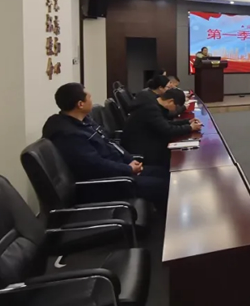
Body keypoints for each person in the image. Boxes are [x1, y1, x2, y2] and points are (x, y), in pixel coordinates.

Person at [42, 83, 170, 211]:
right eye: (89, 97)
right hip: (104, 183)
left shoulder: (85, 121)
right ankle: (164, 222)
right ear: (80, 104)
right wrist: (128, 169)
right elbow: (95, 165)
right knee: (164, 185)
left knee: (166, 173)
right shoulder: (69, 134)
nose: (91, 100)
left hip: (117, 170)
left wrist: (129, 160)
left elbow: (109, 142)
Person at [122, 88, 202, 169]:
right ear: (171, 101)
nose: (175, 110)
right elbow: (168, 130)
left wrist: (187, 122)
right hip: (140, 147)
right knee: (171, 157)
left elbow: (165, 123)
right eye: (176, 107)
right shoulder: (151, 108)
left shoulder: (154, 104)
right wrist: (190, 128)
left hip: (146, 140)